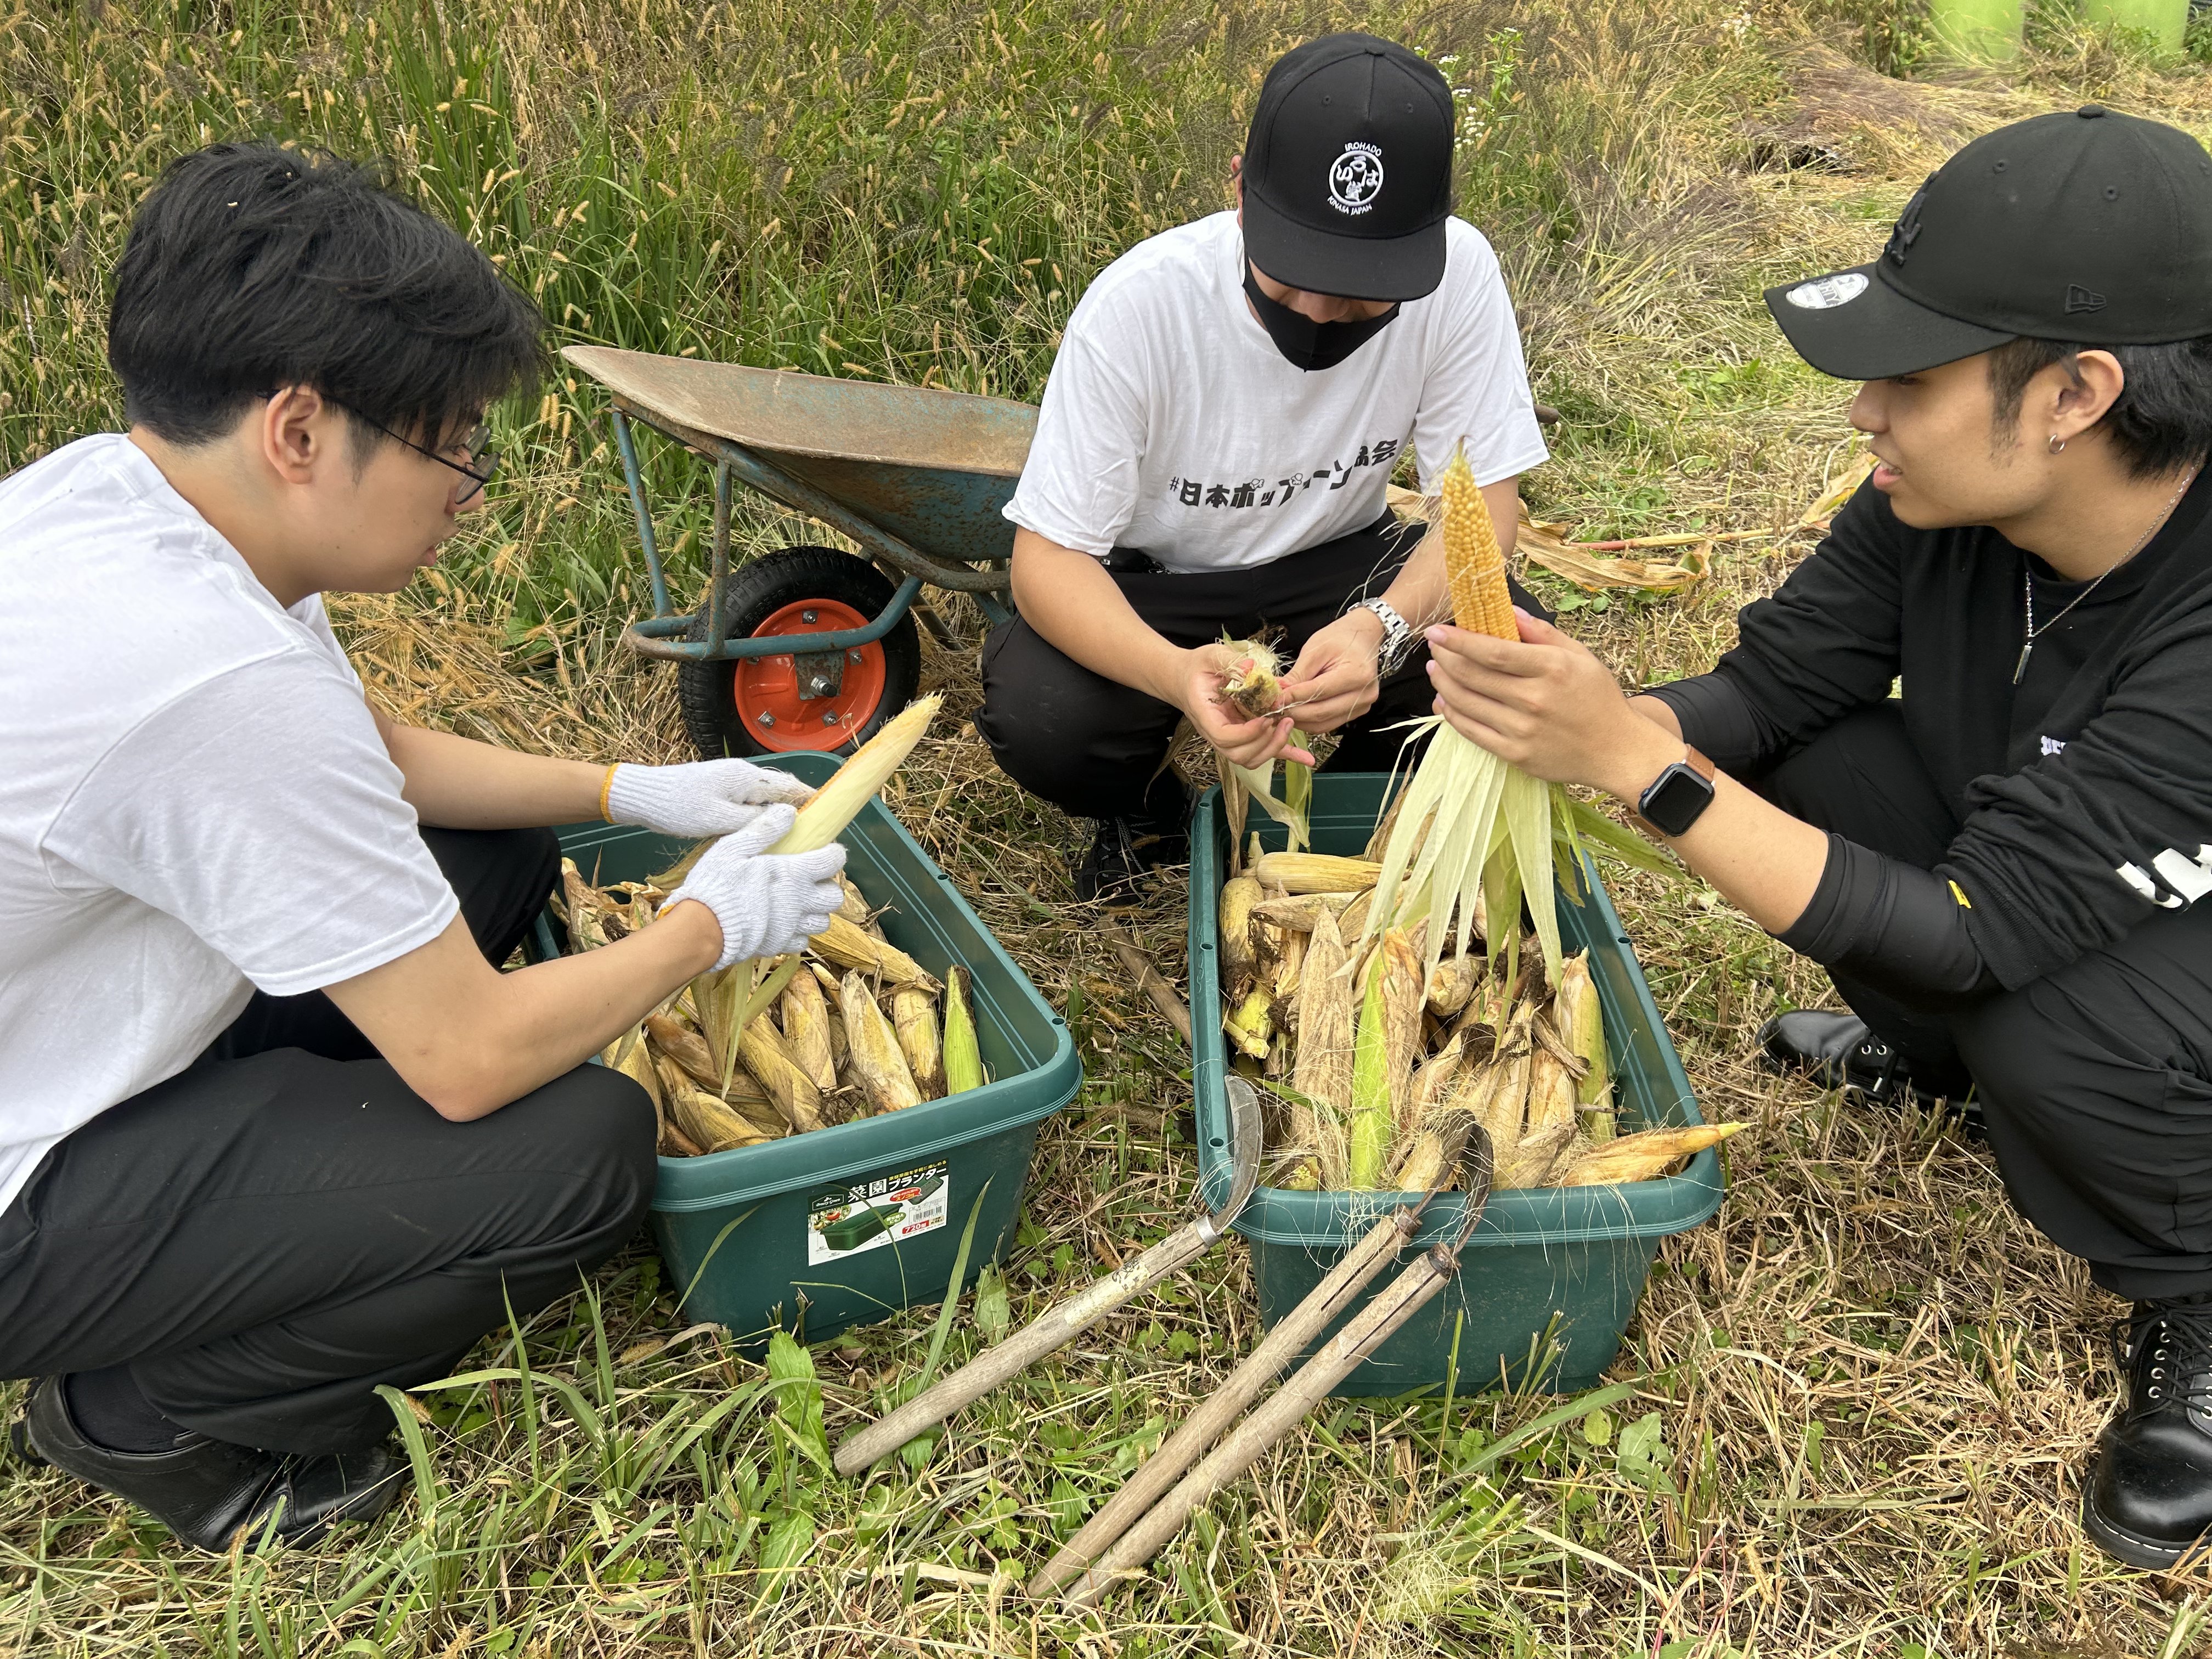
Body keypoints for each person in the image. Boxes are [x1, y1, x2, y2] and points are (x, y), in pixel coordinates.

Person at [0, 145, 850, 1553]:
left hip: (47, 1015)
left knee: (492, 857)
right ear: (299, 431)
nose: (472, 484)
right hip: (23, 1183)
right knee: (576, 1152)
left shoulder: (134, 498)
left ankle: (245, 1168)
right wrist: (704, 928)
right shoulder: (208, 678)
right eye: (452, 441)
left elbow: (363, 751)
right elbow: (471, 1064)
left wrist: (624, 788)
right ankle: (151, 1413)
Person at [1420, 106, 2212, 1569]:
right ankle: (1944, 1067)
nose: (1867, 414)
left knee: (2036, 1019)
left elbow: (1979, 930)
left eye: (1909, 378)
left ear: (2077, 393)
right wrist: (1578, 716)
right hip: (2045, 874)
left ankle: (2197, 1296)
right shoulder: (1942, 499)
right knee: (1828, 762)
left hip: (2169, 953)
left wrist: (1631, 767)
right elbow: (1771, 692)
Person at [977, 32, 1550, 898]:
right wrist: (1175, 673)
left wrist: (1379, 631)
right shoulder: (1143, 307)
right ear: (1240, 189)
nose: (1323, 312)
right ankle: (1146, 809)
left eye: (1365, 288)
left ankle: (1360, 789)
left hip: (1341, 559)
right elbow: (1048, 562)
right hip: (1164, 577)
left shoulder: (1459, 277)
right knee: (1044, 718)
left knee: (1501, 666)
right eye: (1294, 273)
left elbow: (1485, 516)